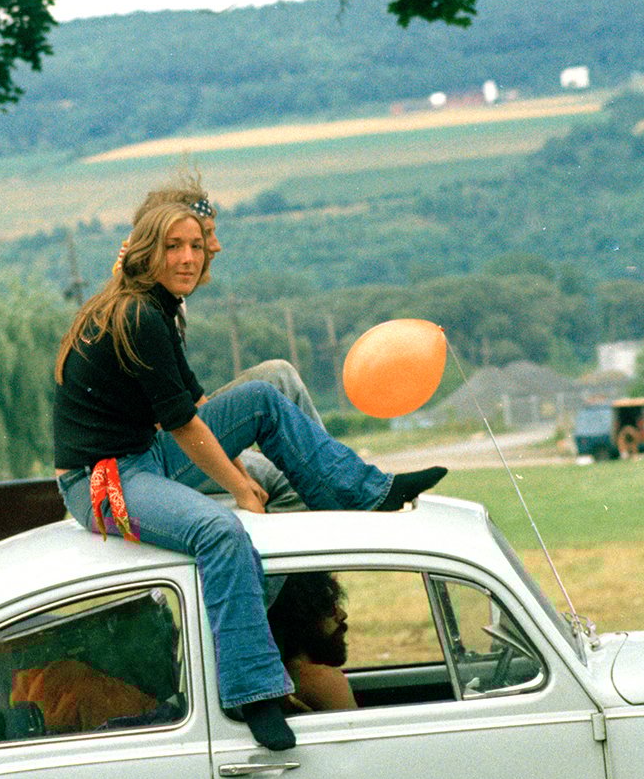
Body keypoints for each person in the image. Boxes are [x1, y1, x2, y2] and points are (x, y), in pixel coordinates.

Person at [53, 202, 446, 751]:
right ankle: (251, 692)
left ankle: (368, 493)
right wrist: (241, 490)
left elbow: (195, 406)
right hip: (104, 484)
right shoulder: (138, 316)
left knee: (263, 396)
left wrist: (240, 469)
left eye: (196, 245)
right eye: (173, 246)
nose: (189, 256)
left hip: (150, 455)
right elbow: (185, 424)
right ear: (146, 251)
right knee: (219, 531)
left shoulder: (157, 308)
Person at [129, 175, 325, 510]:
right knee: (288, 471)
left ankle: (333, 478)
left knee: (280, 392)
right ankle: (332, 496)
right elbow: (174, 418)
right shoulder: (143, 308)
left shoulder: (167, 300)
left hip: (174, 444)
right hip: (158, 457)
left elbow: (194, 402)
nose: (214, 246)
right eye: (205, 235)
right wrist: (238, 481)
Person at [267, 571, 357, 714]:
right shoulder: (324, 680)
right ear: (302, 618)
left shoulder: (274, 678)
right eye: (328, 607)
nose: (342, 615)